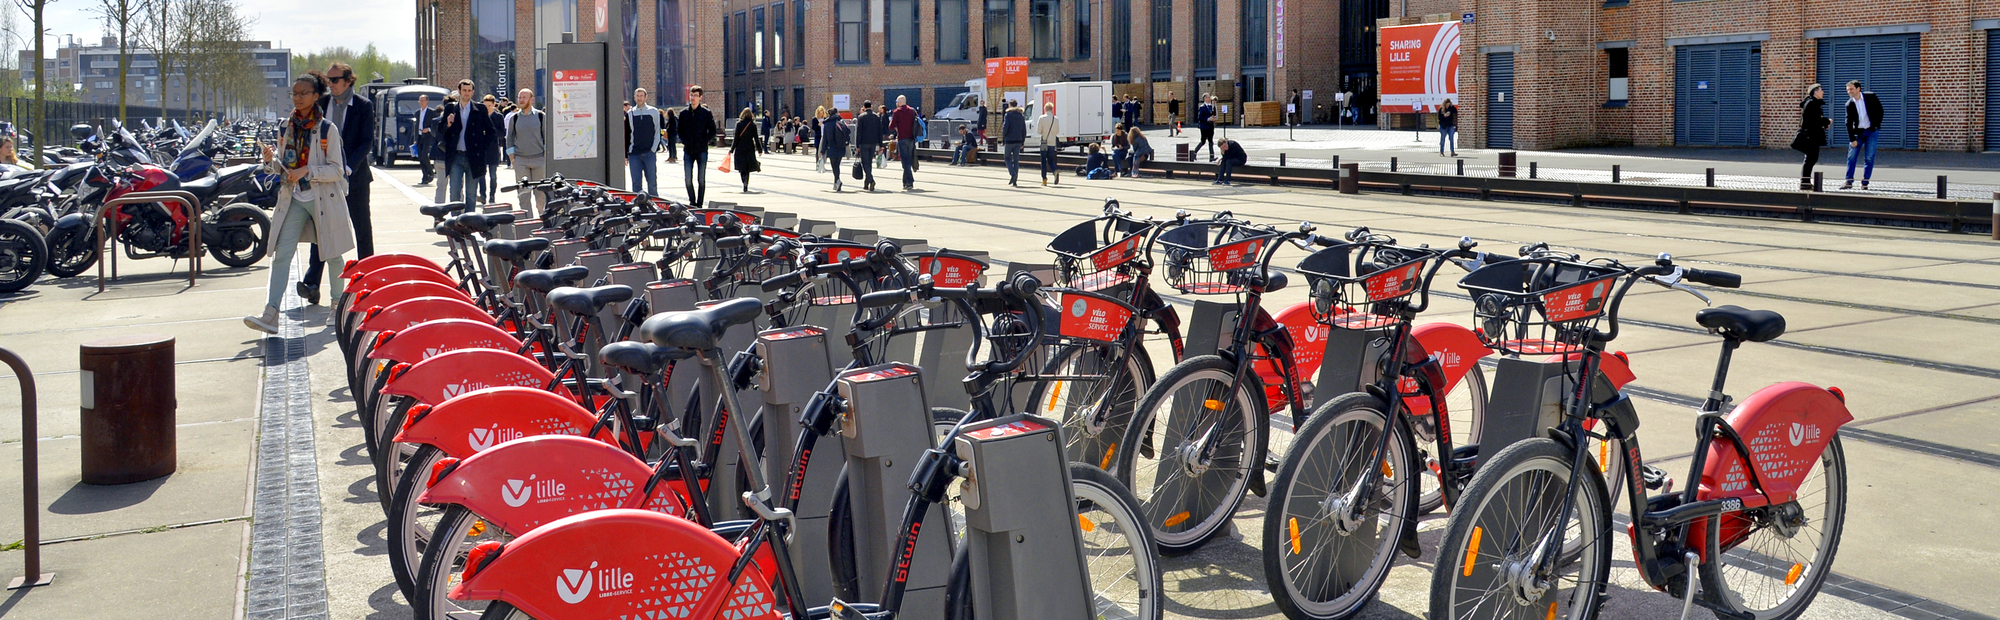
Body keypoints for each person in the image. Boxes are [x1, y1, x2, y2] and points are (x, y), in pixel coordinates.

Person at [243, 71, 355, 334]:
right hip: (293, 196)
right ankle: (271, 314)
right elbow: (280, 168)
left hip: (322, 199)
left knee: (332, 252)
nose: (298, 98)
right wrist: (270, 160)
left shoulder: (327, 129)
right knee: (282, 253)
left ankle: (337, 307)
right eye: (294, 93)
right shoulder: (285, 127)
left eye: (304, 93)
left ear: (316, 96)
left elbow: (337, 170)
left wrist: (308, 170)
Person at [296, 61, 375, 305]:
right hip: (324, 179)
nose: (330, 84)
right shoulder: (322, 104)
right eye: (328, 80)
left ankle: (368, 279)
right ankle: (312, 283)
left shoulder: (363, 106)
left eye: (335, 80)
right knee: (321, 229)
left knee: (361, 228)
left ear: (349, 80)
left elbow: (366, 142)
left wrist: (346, 168)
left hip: (355, 176)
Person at [441, 79, 492, 204]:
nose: (466, 93)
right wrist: (448, 124)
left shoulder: (480, 109)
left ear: (473, 92)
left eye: (469, 91)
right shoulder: (450, 108)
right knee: (455, 192)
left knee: (471, 193)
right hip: (456, 156)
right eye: (464, 90)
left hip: (473, 156)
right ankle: (456, 221)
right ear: (459, 91)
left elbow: (491, 131)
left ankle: (469, 222)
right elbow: (439, 130)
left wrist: (481, 148)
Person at [507, 88, 548, 214]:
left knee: (541, 195)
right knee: (523, 195)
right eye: (519, 97)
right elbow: (509, 139)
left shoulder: (541, 117)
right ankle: (528, 222)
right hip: (521, 160)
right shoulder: (514, 118)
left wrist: (545, 157)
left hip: (539, 160)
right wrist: (513, 160)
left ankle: (543, 220)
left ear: (531, 99)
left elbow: (546, 138)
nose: (521, 100)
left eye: (524, 97)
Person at [677, 86, 717, 206]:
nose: (693, 98)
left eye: (695, 96)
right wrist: (685, 141)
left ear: (700, 97)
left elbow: (713, 130)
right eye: (691, 95)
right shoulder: (684, 113)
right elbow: (679, 130)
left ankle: (699, 203)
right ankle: (692, 201)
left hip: (701, 150)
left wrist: (704, 141)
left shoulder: (706, 113)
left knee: (701, 179)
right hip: (688, 150)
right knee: (688, 179)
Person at [1841, 80, 1883, 190]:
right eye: (1848, 90)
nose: (1849, 91)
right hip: (1858, 133)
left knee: (1869, 157)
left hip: (1871, 132)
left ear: (1858, 89)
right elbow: (1848, 122)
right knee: (1851, 157)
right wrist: (1852, 139)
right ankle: (1849, 181)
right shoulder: (1849, 104)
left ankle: (1865, 182)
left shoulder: (1871, 97)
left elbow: (1880, 111)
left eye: (1851, 89)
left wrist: (1876, 125)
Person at [626, 88, 662, 196]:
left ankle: (655, 208)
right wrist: (626, 154)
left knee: (652, 184)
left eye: (641, 96)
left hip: (649, 153)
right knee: (636, 185)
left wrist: (653, 149)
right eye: (637, 96)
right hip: (634, 154)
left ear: (646, 97)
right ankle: (638, 208)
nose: (639, 98)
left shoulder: (653, 112)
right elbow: (627, 134)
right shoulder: (630, 113)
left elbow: (657, 131)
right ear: (634, 97)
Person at [890, 95, 919, 190]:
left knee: (905, 161)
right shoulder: (912, 111)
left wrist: (896, 127)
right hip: (911, 138)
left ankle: (910, 181)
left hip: (902, 138)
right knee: (908, 160)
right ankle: (905, 182)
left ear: (899, 102)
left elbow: (891, 126)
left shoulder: (897, 112)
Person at [854, 100, 882, 191]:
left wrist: (857, 145)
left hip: (864, 143)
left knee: (864, 163)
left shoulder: (861, 117)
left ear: (864, 107)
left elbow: (859, 132)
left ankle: (871, 179)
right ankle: (866, 184)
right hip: (873, 142)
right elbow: (879, 131)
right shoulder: (876, 117)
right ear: (871, 106)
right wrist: (881, 144)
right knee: (869, 162)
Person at [429, 95, 453, 203]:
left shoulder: (435, 121)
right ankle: (458, 213)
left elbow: (435, 135)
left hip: (439, 156)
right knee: (456, 188)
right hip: (454, 158)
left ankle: (438, 212)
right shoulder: (459, 120)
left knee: (441, 186)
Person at [732, 108, 761, 193]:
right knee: (747, 168)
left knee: (741, 167)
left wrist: (732, 149)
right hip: (749, 148)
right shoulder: (752, 125)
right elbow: (756, 138)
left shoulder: (739, 124)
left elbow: (736, 138)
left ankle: (743, 180)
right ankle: (746, 183)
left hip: (740, 148)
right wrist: (759, 149)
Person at [482, 94, 504, 202]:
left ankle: (492, 195)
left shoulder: (498, 116)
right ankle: (482, 195)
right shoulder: (480, 115)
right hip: (482, 149)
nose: (487, 108)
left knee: (493, 175)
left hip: (493, 148)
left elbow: (502, 133)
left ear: (494, 105)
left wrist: (491, 132)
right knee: (481, 175)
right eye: (485, 105)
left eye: (489, 105)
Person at [823, 108, 850, 192]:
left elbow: (825, 138)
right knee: (837, 165)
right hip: (841, 146)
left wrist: (822, 151)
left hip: (831, 147)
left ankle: (837, 180)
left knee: (834, 166)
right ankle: (836, 182)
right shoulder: (841, 122)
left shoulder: (827, 124)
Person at [1002, 102, 1027, 187]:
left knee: (1007, 158)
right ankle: (1015, 181)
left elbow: (1005, 127)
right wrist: (1022, 141)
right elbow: (1024, 129)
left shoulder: (1008, 115)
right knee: (1016, 160)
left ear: (1010, 105)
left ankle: (1013, 174)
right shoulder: (1021, 116)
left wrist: (1004, 136)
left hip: (1009, 140)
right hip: (1018, 140)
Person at [1036, 102, 1061, 186]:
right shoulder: (1055, 119)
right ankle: (1054, 170)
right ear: (1052, 109)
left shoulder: (1041, 118)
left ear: (1045, 109)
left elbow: (1039, 131)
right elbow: (1057, 131)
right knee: (1050, 161)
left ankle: (1044, 179)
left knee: (1043, 162)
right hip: (1052, 142)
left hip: (1044, 142)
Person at [413, 93, 435, 186]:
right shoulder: (417, 112)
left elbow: (435, 124)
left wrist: (429, 129)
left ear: (427, 101)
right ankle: (425, 176)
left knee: (424, 155)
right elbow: (416, 125)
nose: (421, 102)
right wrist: (415, 139)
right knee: (420, 157)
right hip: (419, 136)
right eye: (420, 101)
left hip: (428, 136)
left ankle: (431, 172)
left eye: (422, 100)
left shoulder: (431, 112)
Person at [1195, 95, 1218, 161]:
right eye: (1208, 97)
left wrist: (1214, 118)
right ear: (1205, 99)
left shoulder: (1212, 106)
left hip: (1211, 126)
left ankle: (1212, 157)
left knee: (1211, 141)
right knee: (1203, 141)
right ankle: (1194, 152)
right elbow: (1200, 117)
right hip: (1204, 126)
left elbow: (1214, 114)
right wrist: (1208, 119)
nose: (1209, 98)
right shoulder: (1202, 107)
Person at [812, 106, 830, 173]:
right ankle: (818, 163)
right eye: (820, 113)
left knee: (824, 150)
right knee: (818, 150)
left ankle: (823, 164)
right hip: (818, 136)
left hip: (824, 136)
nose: (822, 114)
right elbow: (813, 127)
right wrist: (818, 125)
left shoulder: (825, 119)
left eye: (822, 112)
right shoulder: (815, 119)